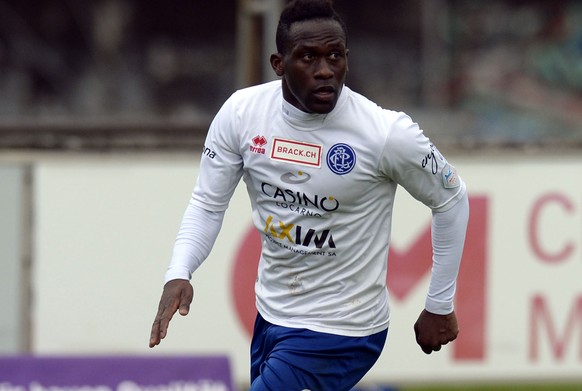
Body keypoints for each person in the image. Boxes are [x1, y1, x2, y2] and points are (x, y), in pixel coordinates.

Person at [149, 0, 469, 390]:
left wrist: (439, 304)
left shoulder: (385, 134)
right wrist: (179, 272)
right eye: (308, 58)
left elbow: (451, 198)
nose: (324, 71)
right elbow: (207, 202)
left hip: (343, 330)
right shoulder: (241, 114)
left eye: (335, 56)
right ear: (278, 64)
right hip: (272, 318)